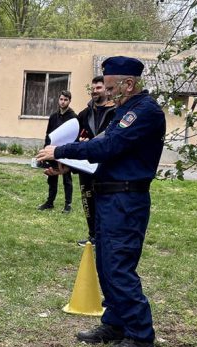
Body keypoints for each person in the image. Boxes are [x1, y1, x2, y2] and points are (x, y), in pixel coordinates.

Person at [36, 56, 165, 347]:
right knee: (106, 264)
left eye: (110, 87)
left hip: (126, 201)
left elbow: (106, 148)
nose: (105, 93)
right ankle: (115, 323)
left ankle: (141, 336)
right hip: (108, 197)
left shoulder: (144, 113)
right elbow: (105, 158)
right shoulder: (124, 111)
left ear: (128, 84)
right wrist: (66, 167)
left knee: (119, 265)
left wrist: (61, 151)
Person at [75, 76, 116, 246]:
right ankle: (93, 236)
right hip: (85, 165)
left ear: (107, 90)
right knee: (88, 201)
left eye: (98, 87)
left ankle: (105, 236)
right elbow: (75, 137)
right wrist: (80, 142)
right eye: (92, 88)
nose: (94, 91)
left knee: (104, 202)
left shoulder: (116, 113)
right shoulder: (84, 114)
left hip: (106, 166)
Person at [38, 91, 76, 213]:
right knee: (51, 176)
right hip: (52, 151)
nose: (62, 101)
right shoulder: (54, 116)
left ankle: (68, 205)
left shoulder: (73, 117)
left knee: (66, 179)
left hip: (66, 152)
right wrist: (45, 150)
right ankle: (50, 202)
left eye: (65, 99)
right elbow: (48, 134)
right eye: (61, 99)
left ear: (69, 101)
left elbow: (74, 135)